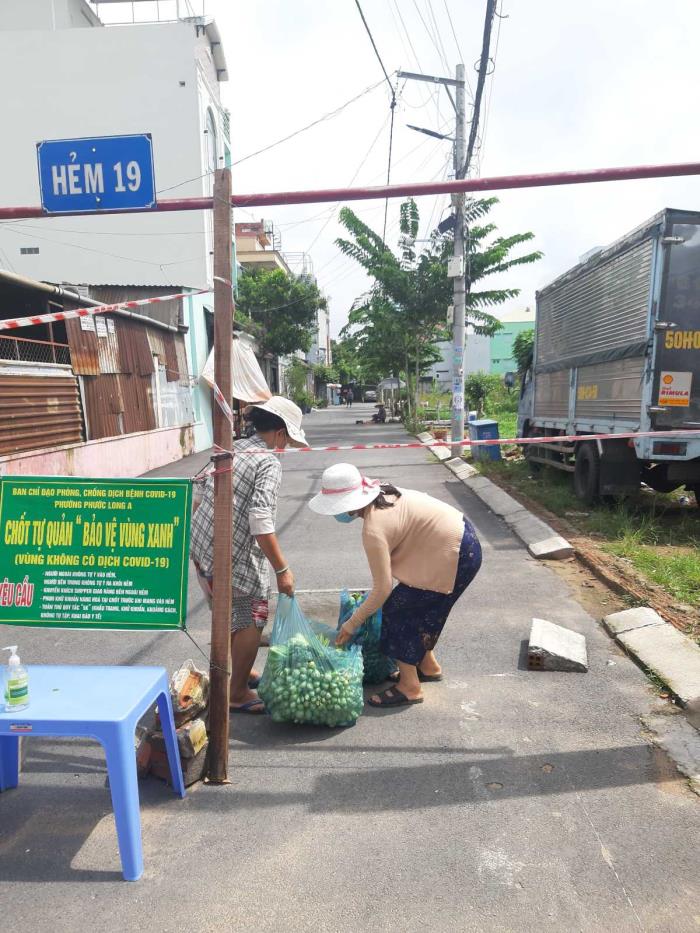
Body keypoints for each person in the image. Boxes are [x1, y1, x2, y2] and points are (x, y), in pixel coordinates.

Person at [308, 463, 482, 708]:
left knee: (396, 612)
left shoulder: (374, 529)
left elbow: (382, 589)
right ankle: (428, 666)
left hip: (453, 554)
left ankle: (410, 687)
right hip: (464, 541)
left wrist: (351, 624)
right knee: (419, 607)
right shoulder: (385, 494)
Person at [190, 397, 306, 714]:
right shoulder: (267, 462)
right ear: (280, 432)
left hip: (201, 547)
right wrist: (282, 570)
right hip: (232, 551)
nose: (285, 448)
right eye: (287, 440)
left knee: (231, 613)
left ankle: (236, 673)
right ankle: (236, 692)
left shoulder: (230, 448)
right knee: (253, 615)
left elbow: (198, 496)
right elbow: (260, 521)